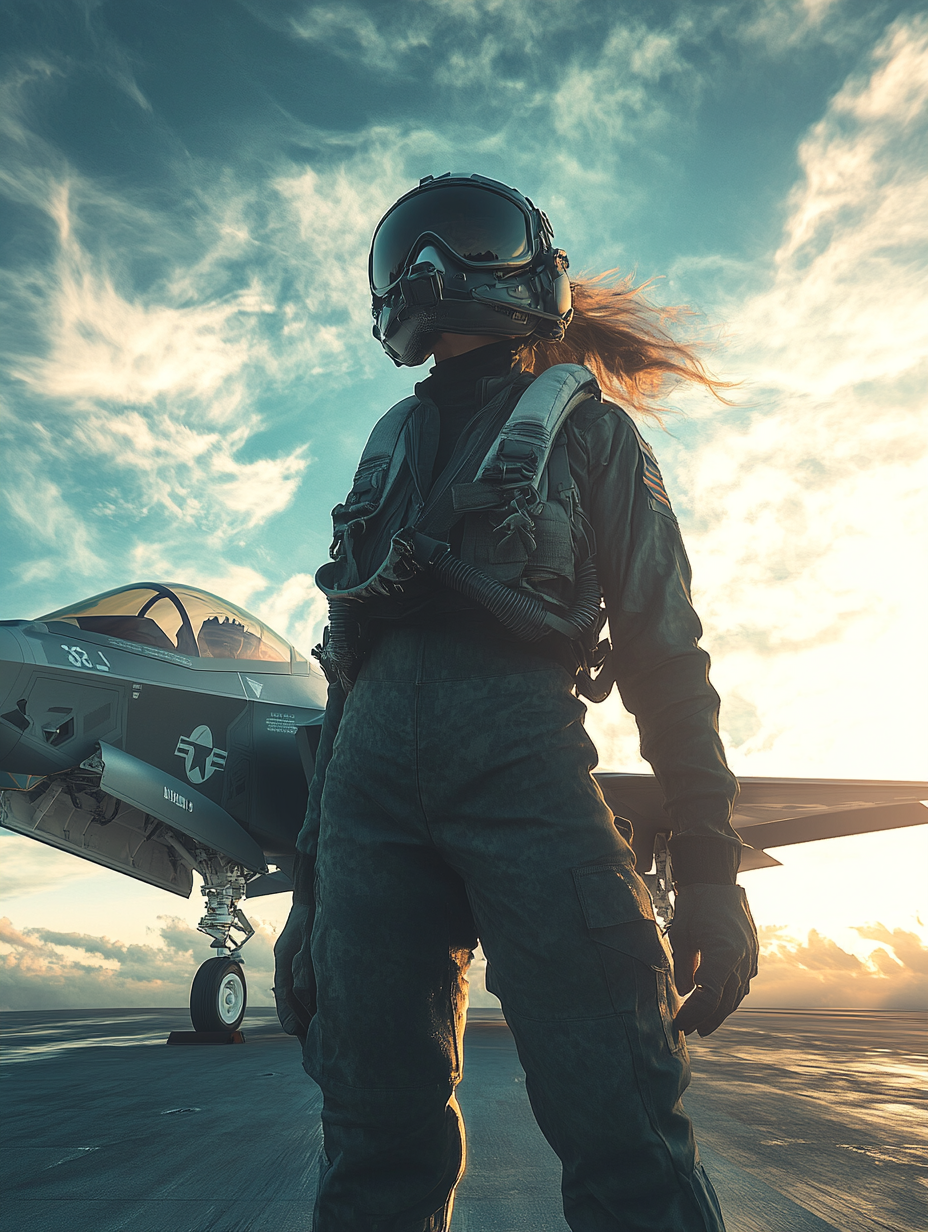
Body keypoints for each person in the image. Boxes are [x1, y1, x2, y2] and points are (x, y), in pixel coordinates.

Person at [274, 172, 758, 1232]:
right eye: (409, 252)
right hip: (364, 814)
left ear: (535, 267)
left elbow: (667, 662)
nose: (434, 270)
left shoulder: (593, 437)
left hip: (527, 779)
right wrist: (310, 896)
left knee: (624, 1129)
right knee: (369, 1150)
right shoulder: (382, 453)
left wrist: (711, 868)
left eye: (470, 242)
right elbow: (343, 678)